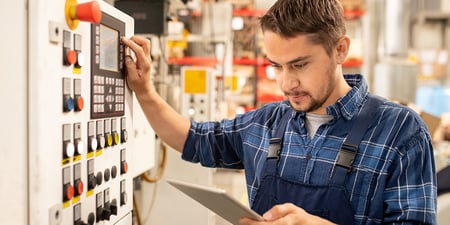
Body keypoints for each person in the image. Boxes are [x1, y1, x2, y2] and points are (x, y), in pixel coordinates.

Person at [121, 0, 437, 224]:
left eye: (300, 65)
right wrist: (145, 91)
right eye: (277, 66)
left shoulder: (400, 131)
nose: (287, 83)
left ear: (340, 49)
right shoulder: (267, 123)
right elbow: (193, 139)